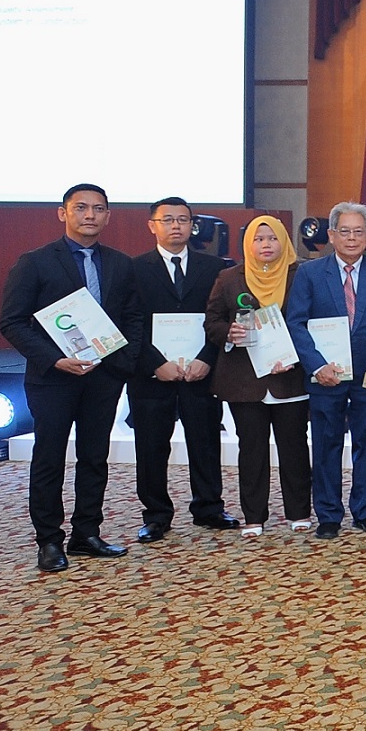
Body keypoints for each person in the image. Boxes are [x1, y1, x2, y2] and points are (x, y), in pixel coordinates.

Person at [0, 184, 145, 572]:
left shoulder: (120, 263)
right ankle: (48, 540)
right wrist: (54, 360)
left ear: (108, 216)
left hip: (104, 376)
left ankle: (87, 532)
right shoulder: (35, 262)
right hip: (54, 378)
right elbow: (12, 322)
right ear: (62, 213)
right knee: (49, 457)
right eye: (81, 208)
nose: (90, 215)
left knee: (95, 456)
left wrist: (122, 363)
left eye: (98, 209)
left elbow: (133, 317)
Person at [285, 201, 366, 538]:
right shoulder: (308, 272)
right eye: (345, 232)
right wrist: (316, 365)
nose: (352, 238)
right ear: (332, 235)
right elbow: (297, 323)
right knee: (325, 444)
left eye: (359, 232)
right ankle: (328, 515)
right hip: (326, 373)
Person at [125, 198, 233, 542]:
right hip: (152, 374)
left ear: (192, 225)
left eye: (183, 220)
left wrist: (207, 358)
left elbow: (221, 319)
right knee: (152, 446)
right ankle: (156, 515)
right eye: (167, 219)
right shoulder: (133, 269)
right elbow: (129, 324)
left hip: (202, 371)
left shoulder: (215, 267)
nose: (176, 226)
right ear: (151, 225)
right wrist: (156, 364)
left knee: (205, 442)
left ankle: (209, 508)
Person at [206, 215, 310, 537]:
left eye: (273, 238)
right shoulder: (228, 277)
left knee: (294, 447)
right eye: (258, 239)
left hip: (290, 377)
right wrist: (229, 332)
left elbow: (312, 321)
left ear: (284, 241)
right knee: (251, 449)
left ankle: (299, 512)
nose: (266, 245)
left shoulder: (302, 275)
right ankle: (254, 516)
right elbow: (211, 322)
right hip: (244, 380)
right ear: (248, 244)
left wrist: (294, 356)